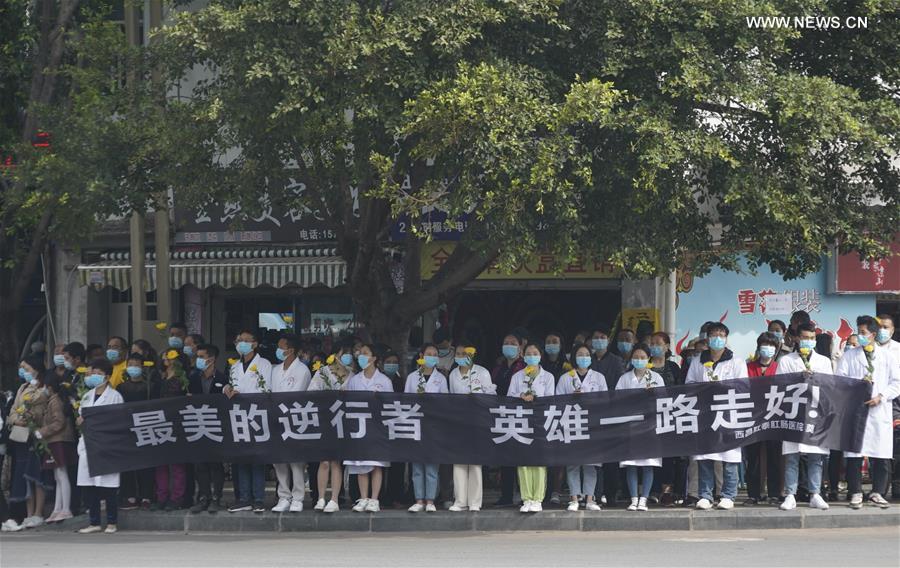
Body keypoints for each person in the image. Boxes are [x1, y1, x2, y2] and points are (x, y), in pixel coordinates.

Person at [837, 315, 900, 509]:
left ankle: (877, 492)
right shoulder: (850, 355)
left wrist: (881, 396)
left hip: (879, 410)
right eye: (859, 332)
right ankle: (855, 492)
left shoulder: (887, 356)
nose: (860, 336)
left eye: (863, 332)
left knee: (880, 454)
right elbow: (840, 380)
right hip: (856, 410)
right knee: (855, 453)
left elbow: (896, 383)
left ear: (873, 334)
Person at [685, 322, 748, 510]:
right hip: (705, 414)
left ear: (726, 338)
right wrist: (704, 389)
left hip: (728, 413)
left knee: (729, 456)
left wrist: (723, 387)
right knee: (705, 456)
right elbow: (689, 384)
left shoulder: (736, 361)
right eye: (714, 335)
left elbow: (744, 386)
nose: (717, 338)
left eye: (721, 335)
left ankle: (728, 495)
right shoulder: (698, 361)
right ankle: (705, 494)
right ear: (708, 338)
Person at [777, 323, 833, 511]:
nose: (808, 341)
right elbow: (778, 385)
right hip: (794, 412)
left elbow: (830, 386)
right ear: (796, 339)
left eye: (811, 338)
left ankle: (815, 493)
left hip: (815, 413)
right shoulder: (786, 361)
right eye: (804, 338)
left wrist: (815, 379)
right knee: (792, 456)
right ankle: (790, 494)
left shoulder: (824, 361)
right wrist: (798, 378)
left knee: (815, 456)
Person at [224, 330, 273, 513]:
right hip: (238, 416)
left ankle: (258, 499)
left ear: (254, 344)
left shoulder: (264, 364)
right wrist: (227, 390)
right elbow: (231, 385)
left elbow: (266, 388)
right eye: (238, 340)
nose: (241, 343)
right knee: (241, 458)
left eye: (245, 340)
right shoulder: (235, 366)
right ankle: (244, 498)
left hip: (257, 415)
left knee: (256, 458)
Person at [76, 359, 125, 534]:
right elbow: (81, 419)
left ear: (106, 375)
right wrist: (80, 421)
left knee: (108, 485)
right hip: (88, 444)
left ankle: (112, 522)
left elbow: (118, 420)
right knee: (89, 485)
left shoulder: (115, 396)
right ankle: (94, 522)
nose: (92, 376)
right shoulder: (86, 395)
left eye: (96, 373)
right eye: (91, 373)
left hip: (106, 445)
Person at [556, 344, 606, 512]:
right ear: (574, 358)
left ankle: (590, 499)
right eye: (580, 354)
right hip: (572, 423)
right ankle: (574, 498)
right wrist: (572, 397)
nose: (583, 357)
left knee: (591, 464)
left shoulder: (599, 377)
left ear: (590, 358)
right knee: (573, 463)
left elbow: (606, 400)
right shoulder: (565, 378)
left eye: (586, 354)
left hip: (592, 423)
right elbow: (557, 401)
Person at [616, 344, 665, 511]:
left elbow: (663, 401)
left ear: (649, 359)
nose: (639, 360)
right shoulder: (624, 378)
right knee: (631, 463)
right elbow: (617, 399)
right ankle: (633, 498)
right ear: (631, 359)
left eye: (643, 357)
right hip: (630, 425)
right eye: (636, 357)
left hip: (649, 426)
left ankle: (644, 498)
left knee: (647, 463)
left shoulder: (656, 378)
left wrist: (653, 394)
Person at [448, 343, 496, 512]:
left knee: (475, 462)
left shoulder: (482, 372)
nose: (461, 356)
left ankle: (475, 501)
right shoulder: (453, 374)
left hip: (477, 420)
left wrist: (477, 396)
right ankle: (460, 500)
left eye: (464, 353)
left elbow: (491, 395)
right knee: (459, 461)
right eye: (458, 354)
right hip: (459, 421)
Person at [507, 343, 555, 513]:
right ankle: (526, 498)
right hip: (522, 421)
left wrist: (534, 397)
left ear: (540, 355)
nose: (532, 356)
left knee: (539, 461)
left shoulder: (548, 377)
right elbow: (509, 397)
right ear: (523, 355)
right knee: (524, 461)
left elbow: (551, 398)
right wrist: (521, 396)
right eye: (528, 353)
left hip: (540, 422)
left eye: (535, 353)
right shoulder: (517, 376)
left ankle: (538, 498)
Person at [345, 344, 393, 513]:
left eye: (365, 353)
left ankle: (374, 499)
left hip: (377, 428)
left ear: (374, 358)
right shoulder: (354, 380)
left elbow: (390, 405)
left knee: (376, 463)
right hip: (359, 427)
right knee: (360, 464)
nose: (361, 356)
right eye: (360, 353)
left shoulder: (384, 381)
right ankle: (363, 498)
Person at [6, 356, 52, 529]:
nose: (23, 372)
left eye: (26, 368)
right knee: (24, 476)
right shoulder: (22, 387)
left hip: (37, 435)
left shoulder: (43, 388)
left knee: (37, 476)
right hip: (21, 436)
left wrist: (33, 385)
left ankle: (38, 513)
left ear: (36, 369)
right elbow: (13, 411)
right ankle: (28, 513)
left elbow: (33, 401)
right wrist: (17, 420)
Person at [308, 342, 354, 513]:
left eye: (349, 354)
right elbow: (311, 393)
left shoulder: (352, 375)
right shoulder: (322, 372)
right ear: (335, 354)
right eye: (344, 353)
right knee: (324, 461)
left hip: (342, 422)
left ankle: (334, 498)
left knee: (336, 461)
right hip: (324, 420)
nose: (347, 357)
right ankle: (321, 497)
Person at [404, 344, 449, 513]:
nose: (432, 357)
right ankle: (419, 499)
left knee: (431, 467)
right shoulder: (412, 377)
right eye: (428, 354)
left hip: (433, 426)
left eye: (435, 354)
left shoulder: (441, 379)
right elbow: (406, 401)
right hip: (415, 425)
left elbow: (445, 402)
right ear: (421, 356)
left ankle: (430, 500)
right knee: (417, 466)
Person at [270, 334, 312, 513]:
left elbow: (298, 395)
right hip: (276, 419)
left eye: (281, 346)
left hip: (294, 418)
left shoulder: (302, 370)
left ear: (291, 350)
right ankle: (283, 496)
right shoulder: (275, 369)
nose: (278, 350)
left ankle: (298, 497)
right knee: (279, 460)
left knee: (296, 461)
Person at [743, 332, 782, 506]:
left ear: (776, 349)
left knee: (775, 456)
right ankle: (754, 494)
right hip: (752, 417)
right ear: (759, 346)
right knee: (753, 458)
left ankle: (774, 493)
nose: (768, 348)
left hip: (775, 416)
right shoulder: (748, 367)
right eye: (764, 344)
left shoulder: (780, 367)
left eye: (771, 345)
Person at [188, 344, 228, 513]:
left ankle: (216, 497)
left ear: (211, 359)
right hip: (197, 424)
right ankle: (203, 496)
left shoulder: (223, 379)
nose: (198, 360)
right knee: (200, 464)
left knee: (216, 464)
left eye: (201, 356)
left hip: (216, 425)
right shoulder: (193, 378)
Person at [117, 352, 159, 510]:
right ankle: (130, 495)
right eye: (130, 365)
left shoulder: (151, 387)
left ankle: (147, 495)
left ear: (143, 367)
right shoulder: (121, 387)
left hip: (146, 428)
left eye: (136, 365)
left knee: (146, 464)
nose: (133, 368)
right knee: (129, 464)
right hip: (127, 429)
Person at [38, 373, 77, 524]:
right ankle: (57, 508)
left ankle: (65, 509)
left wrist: (42, 431)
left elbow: (59, 422)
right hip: (56, 441)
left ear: (49, 387)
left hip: (59, 440)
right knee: (58, 476)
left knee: (61, 474)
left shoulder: (55, 401)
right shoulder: (54, 399)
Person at [154, 350, 192, 510]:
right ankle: (161, 496)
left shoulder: (181, 380)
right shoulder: (159, 378)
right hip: (160, 423)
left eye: (167, 356)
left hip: (177, 424)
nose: (164, 358)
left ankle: (177, 498)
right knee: (160, 463)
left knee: (177, 464)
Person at [491, 332, 525, 506]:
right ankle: (506, 495)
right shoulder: (499, 368)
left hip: (521, 416)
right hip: (502, 415)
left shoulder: (525, 367)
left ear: (520, 347)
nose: (509, 346)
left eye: (513, 343)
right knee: (505, 457)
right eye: (506, 343)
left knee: (521, 457)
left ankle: (522, 494)